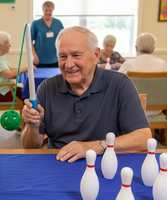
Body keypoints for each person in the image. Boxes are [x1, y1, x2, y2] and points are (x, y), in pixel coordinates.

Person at [21, 26, 152, 163]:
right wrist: (32, 126)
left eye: (76, 55)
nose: (68, 64)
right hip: (59, 164)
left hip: (104, 164)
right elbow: (30, 147)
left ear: (96, 56)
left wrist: (94, 147)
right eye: (62, 56)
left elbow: (144, 138)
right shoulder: (47, 88)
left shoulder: (120, 84)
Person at [119, 32, 167, 117]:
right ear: (153, 49)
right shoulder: (162, 63)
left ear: (136, 48)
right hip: (156, 110)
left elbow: (116, 84)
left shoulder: (129, 64)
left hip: (132, 109)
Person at [31, 1, 64, 68]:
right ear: (43, 10)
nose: (48, 12)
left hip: (55, 59)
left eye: (50, 10)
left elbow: (63, 39)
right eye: (46, 10)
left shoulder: (58, 23)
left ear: (53, 10)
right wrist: (34, 55)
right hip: (40, 59)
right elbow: (30, 41)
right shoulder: (36, 24)